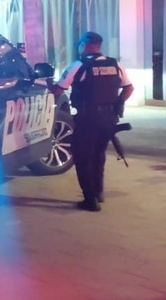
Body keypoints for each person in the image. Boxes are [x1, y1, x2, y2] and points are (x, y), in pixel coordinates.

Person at [50, 31, 134, 212]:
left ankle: (90, 200)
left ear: (83, 46)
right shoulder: (115, 64)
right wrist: (118, 103)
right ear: (99, 45)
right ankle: (99, 192)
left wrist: (47, 86)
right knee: (99, 154)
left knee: (82, 157)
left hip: (88, 118)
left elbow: (58, 90)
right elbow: (128, 88)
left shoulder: (79, 65)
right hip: (110, 118)